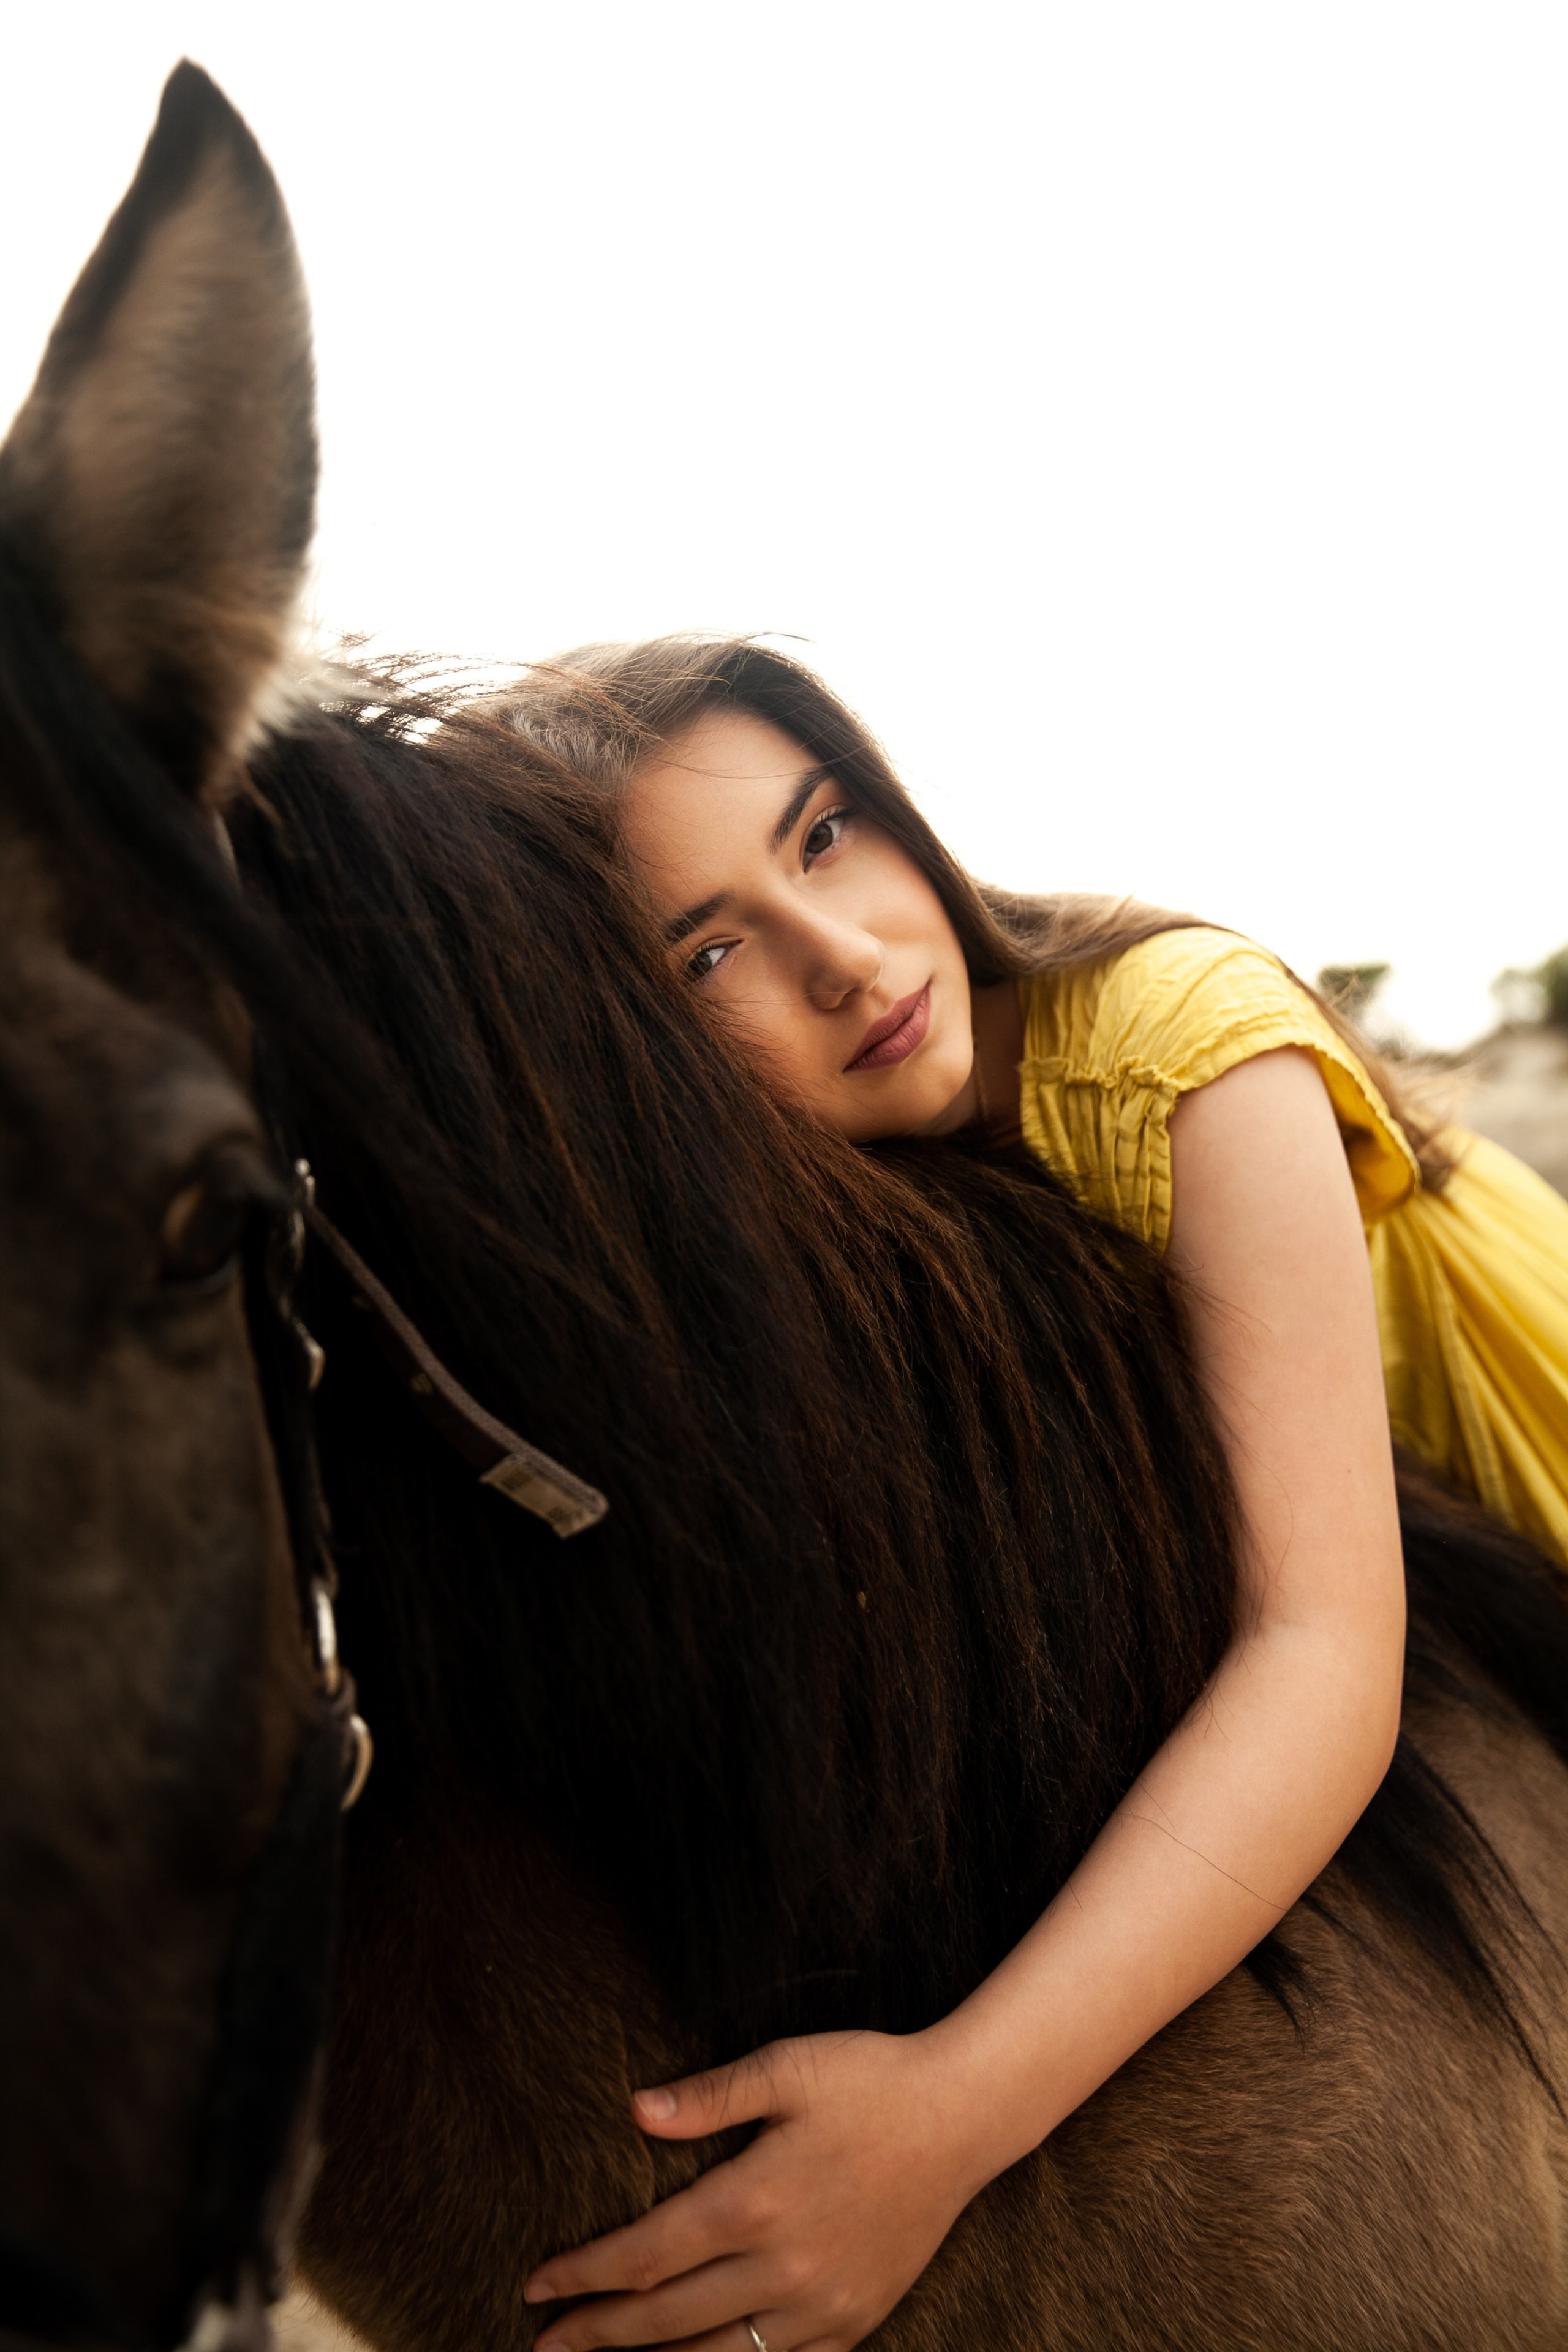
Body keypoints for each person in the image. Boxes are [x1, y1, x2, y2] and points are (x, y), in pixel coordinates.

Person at [510, 636, 1568, 2352]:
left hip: (1518, 1434)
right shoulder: (825, 1178)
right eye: (712, 952)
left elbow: (1322, 1653)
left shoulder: (1185, 1046)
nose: (845, 961)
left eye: (825, 833)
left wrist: (949, 2115)